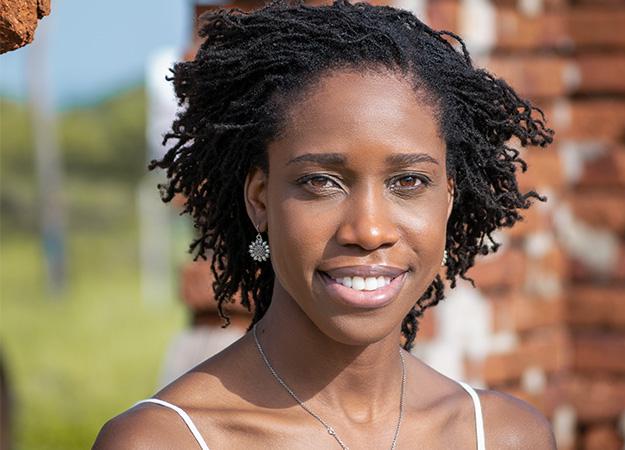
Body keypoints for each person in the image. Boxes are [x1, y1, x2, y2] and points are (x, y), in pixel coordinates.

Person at [93, 1, 556, 448]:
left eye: (410, 181)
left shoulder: (502, 436)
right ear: (260, 199)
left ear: (449, 197)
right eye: (321, 182)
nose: (370, 230)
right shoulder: (165, 441)